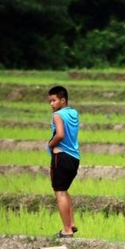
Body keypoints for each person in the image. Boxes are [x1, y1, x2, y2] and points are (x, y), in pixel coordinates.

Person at [47, 85, 80, 238]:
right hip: (74, 158)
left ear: (63, 100)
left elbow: (60, 135)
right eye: (50, 101)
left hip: (61, 157)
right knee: (64, 190)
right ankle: (71, 224)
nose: (51, 104)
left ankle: (66, 230)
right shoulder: (73, 113)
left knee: (59, 192)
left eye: (53, 100)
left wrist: (50, 144)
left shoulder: (57, 115)